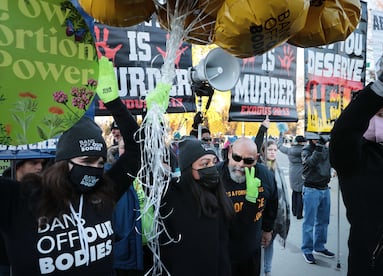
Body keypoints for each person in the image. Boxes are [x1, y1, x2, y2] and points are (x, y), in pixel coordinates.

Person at [0, 57, 140, 275]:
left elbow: (136, 151)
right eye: (86, 161)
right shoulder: (22, 199)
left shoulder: (105, 192)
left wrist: (113, 102)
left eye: (100, 162)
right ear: (62, 162)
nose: (95, 169)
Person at [330, 40, 383, 275]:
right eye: (372, 115)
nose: (377, 119)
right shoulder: (352, 156)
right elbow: (345, 130)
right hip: (373, 264)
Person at [158, 137, 234, 275]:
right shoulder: (172, 194)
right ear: (188, 168)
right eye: (205, 164)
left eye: (213, 162)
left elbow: (223, 245)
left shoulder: (219, 196)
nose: (211, 167)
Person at [216, 137, 278, 276]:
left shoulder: (264, 175)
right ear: (230, 151)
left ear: (257, 158)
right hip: (222, 252)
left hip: (251, 251)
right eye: (237, 157)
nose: (241, 164)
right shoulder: (216, 175)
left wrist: (267, 229)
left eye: (248, 161)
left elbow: (273, 202)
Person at [105, 136, 145, 276]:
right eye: (124, 149)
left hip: (149, 247)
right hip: (125, 249)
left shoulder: (150, 174)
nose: (128, 154)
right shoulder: (109, 175)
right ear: (117, 149)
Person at [301, 133, 334, 264]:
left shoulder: (326, 148)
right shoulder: (306, 150)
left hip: (325, 188)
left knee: (323, 221)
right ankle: (307, 249)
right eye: (315, 137)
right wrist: (319, 146)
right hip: (311, 189)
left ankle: (319, 246)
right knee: (309, 222)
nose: (318, 139)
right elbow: (310, 163)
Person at [259, 139, 290, 276]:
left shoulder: (278, 168)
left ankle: (268, 270)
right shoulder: (259, 168)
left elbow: (282, 193)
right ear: (263, 151)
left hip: (276, 213)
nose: (272, 152)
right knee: (260, 244)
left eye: (274, 150)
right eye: (269, 149)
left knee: (269, 244)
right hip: (262, 212)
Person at [278, 134, 307, 219]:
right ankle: (299, 214)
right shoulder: (304, 150)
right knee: (300, 193)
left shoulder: (290, 150)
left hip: (292, 172)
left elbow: (279, 146)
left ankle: (294, 211)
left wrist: (281, 137)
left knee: (294, 191)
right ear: (302, 142)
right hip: (302, 171)